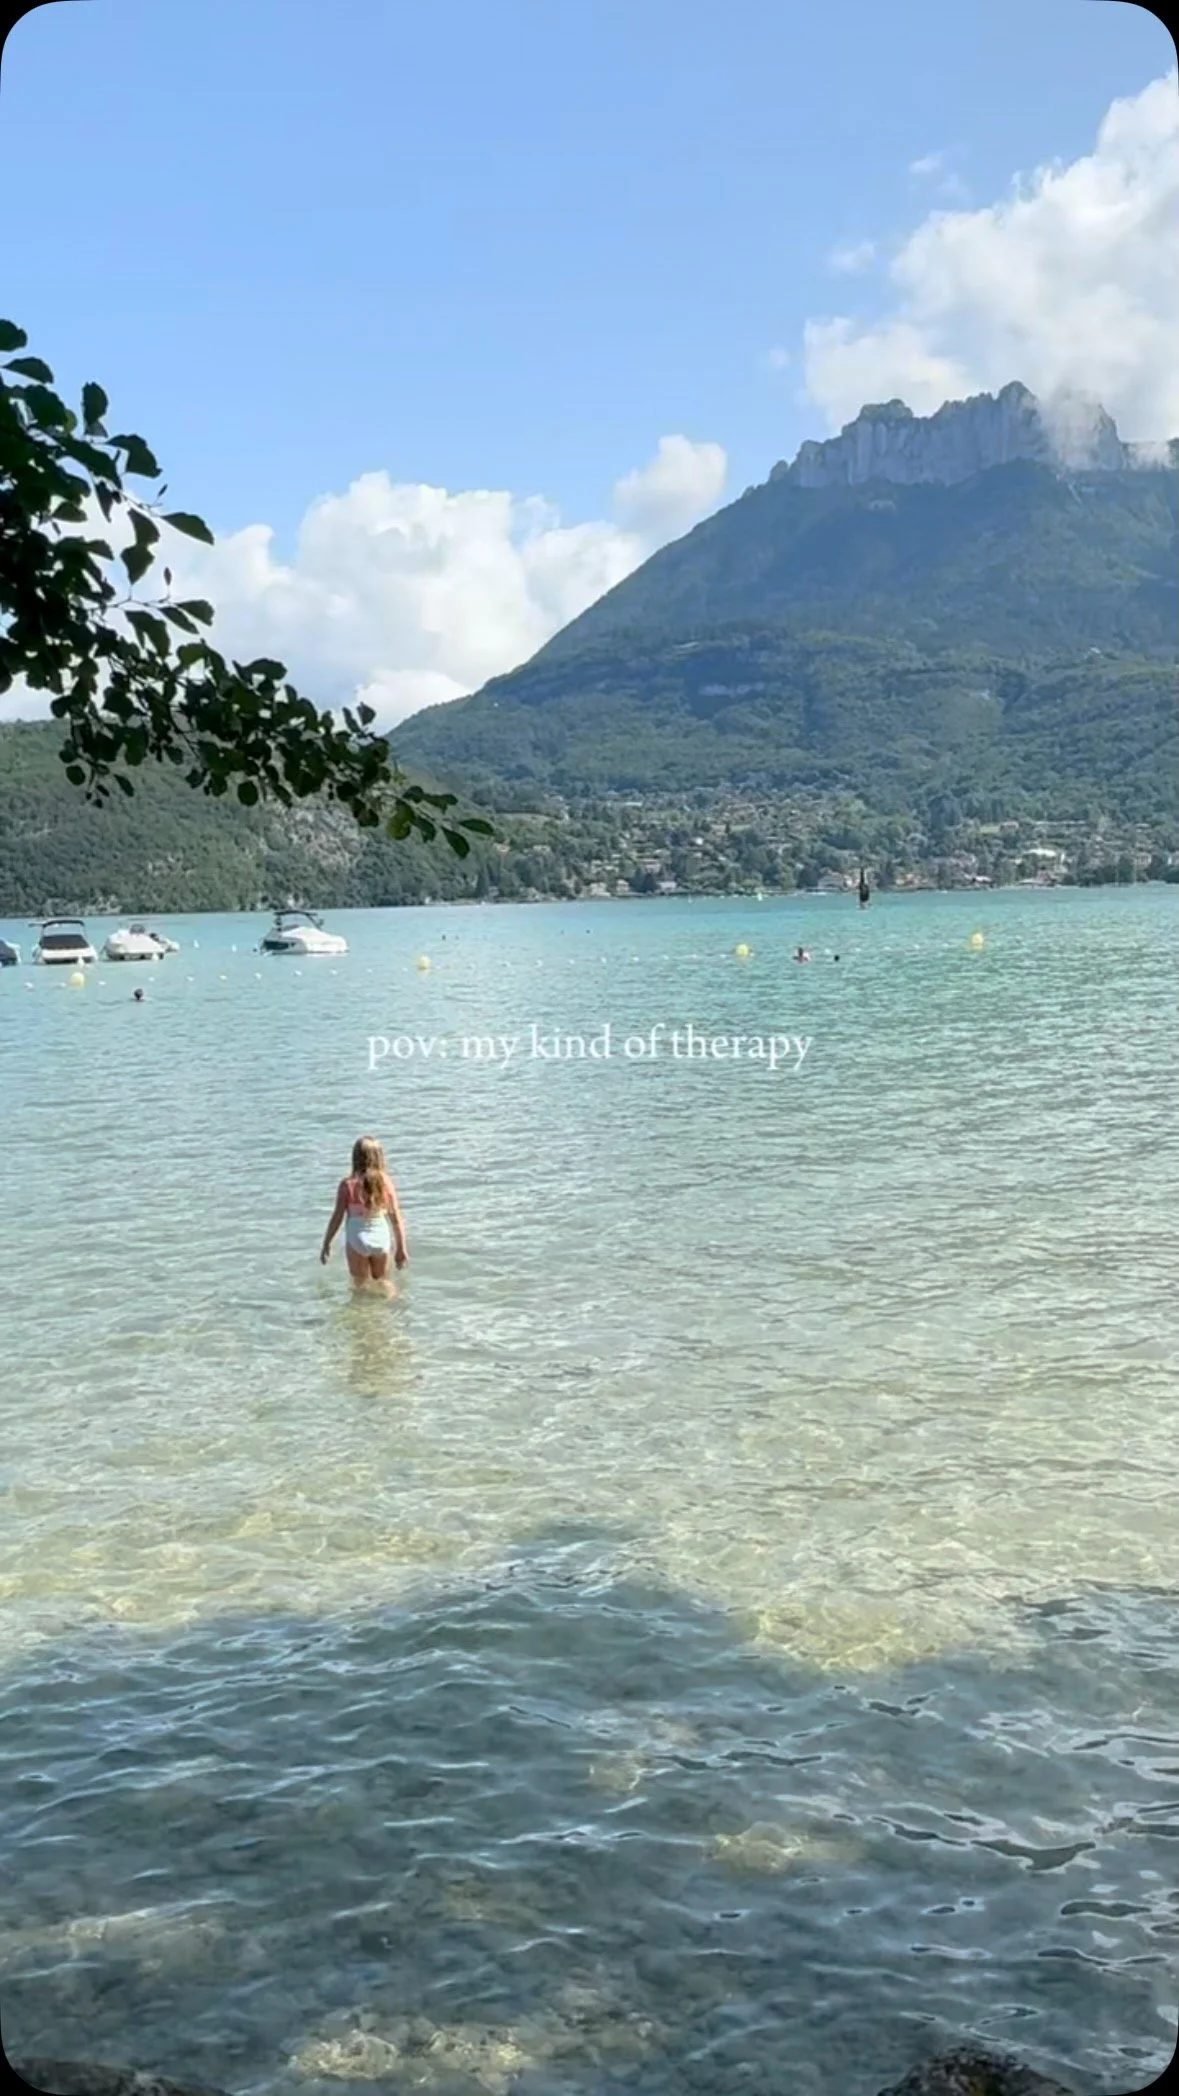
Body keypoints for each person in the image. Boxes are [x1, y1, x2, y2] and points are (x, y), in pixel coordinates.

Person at [321, 1136, 408, 1294]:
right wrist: (401, 1248)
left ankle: (364, 1310)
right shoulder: (385, 1183)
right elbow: (396, 1217)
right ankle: (393, 1307)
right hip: (381, 1236)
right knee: (384, 1282)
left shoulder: (348, 1185)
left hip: (357, 1238)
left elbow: (337, 1218)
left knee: (360, 1286)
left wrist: (326, 1243)